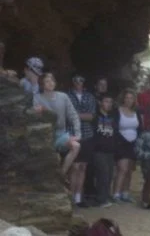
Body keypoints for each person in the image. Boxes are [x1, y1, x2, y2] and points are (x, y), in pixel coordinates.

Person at [33, 73, 83, 206]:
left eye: (52, 80)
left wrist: (77, 133)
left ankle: (60, 174)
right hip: (44, 135)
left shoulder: (63, 97)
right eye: (46, 81)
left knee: (76, 146)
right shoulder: (37, 98)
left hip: (61, 134)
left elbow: (73, 115)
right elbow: (34, 118)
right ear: (42, 84)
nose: (50, 83)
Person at [68, 74, 97, 202]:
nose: (78, 82)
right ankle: (71, 195)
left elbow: (91, 116)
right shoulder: (67, 96)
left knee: (83, 167)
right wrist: (81, 115)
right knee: (74, 166)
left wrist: (75, 115)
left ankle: (78, 197)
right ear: (72, 82)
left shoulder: (89, 96)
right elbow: (67, 115)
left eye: (81, 80)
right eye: (76, 80)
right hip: (72, 134)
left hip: (87, 134)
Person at [112, 89, 142, 204]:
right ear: (123, 99)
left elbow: (140, 127)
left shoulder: (136, 112)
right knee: (122, 169)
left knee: (129, 170)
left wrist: (138, 141)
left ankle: (125, 193)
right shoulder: (117, 111)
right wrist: (121, 140)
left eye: (131, 98)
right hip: (121, 143)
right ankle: (116, 193)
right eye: (127, 98)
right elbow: (114, 128)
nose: (129, 100)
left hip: (134, 143)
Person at [91, 94, 117, 208]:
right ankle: (100, 199)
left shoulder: (113, 116)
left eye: (110, 102)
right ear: (100, 102)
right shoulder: (95, 116)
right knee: (103, 173)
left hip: (110, 149)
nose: (108, 104)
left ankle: (105, 196)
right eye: (106, 101)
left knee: (110, 174)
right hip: (98, 150)